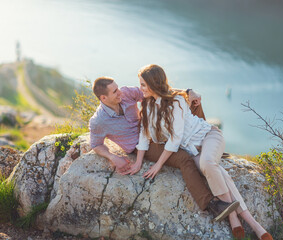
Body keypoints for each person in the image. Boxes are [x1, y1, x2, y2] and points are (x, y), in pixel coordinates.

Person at [133, 64, 273, 240]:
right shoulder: (146, 105)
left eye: (143, 85)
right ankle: (252, 224)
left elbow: (175, 139)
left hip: (209, 136)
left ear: (153, 84)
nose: (141, 89)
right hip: (193, 151)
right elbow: (144, 136)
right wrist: (138, 162)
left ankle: (234, 217)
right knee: (218, 171)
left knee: (208, 164)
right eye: (140, 84)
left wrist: (159, 164)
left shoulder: (177, 101)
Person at [89, 77, 239, 222]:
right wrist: (112, 157)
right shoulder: (98, 121)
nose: (120, 92)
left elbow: (155, 92)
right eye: (115, 91)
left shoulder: (126, 93)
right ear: (103, 98)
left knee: (193, 104)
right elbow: (96, 144)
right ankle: (211, 205)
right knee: (183, 159)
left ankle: (205, 145)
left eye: (117, 88)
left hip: (154, 131)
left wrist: (187, 92)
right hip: (142, 146)